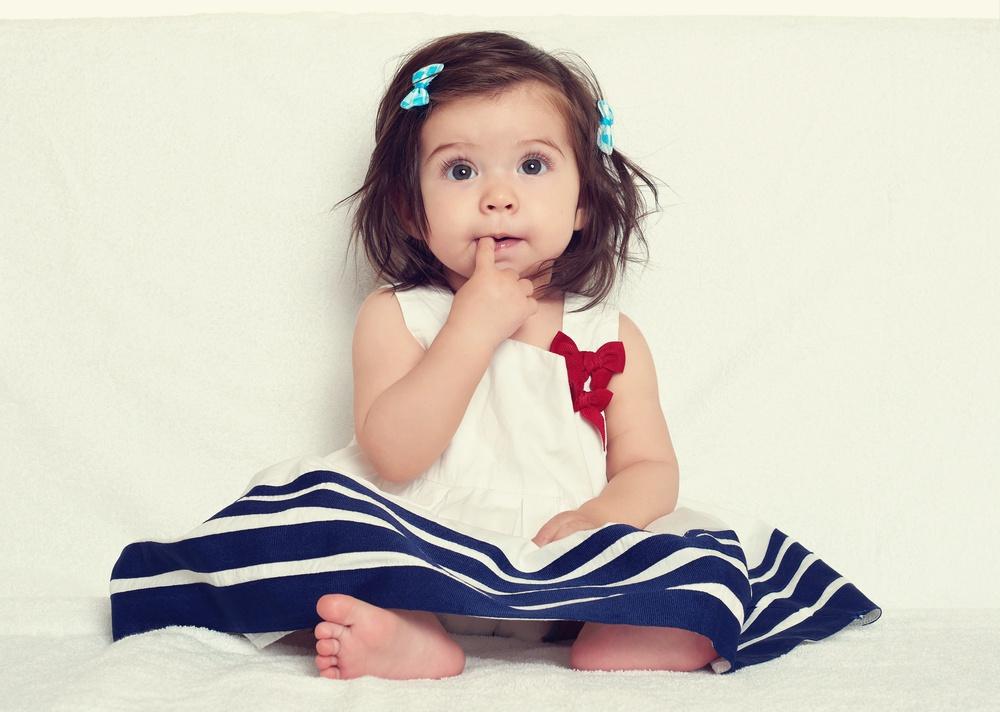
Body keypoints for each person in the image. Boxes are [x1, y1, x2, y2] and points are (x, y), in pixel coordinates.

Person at [110, 31, 880, 680]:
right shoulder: (400, 315)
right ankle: (413, 637)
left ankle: (619, 628)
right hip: (429, 545)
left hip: (564, 556)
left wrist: (599, 518)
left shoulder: (607, 333)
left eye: (532, 166)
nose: (498, 196)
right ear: (412, 209)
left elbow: (651, 467)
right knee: (324, 524)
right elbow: (394, 452)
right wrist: (471, 328)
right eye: (461, 170)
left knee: (706, 560)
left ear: (583, 203)